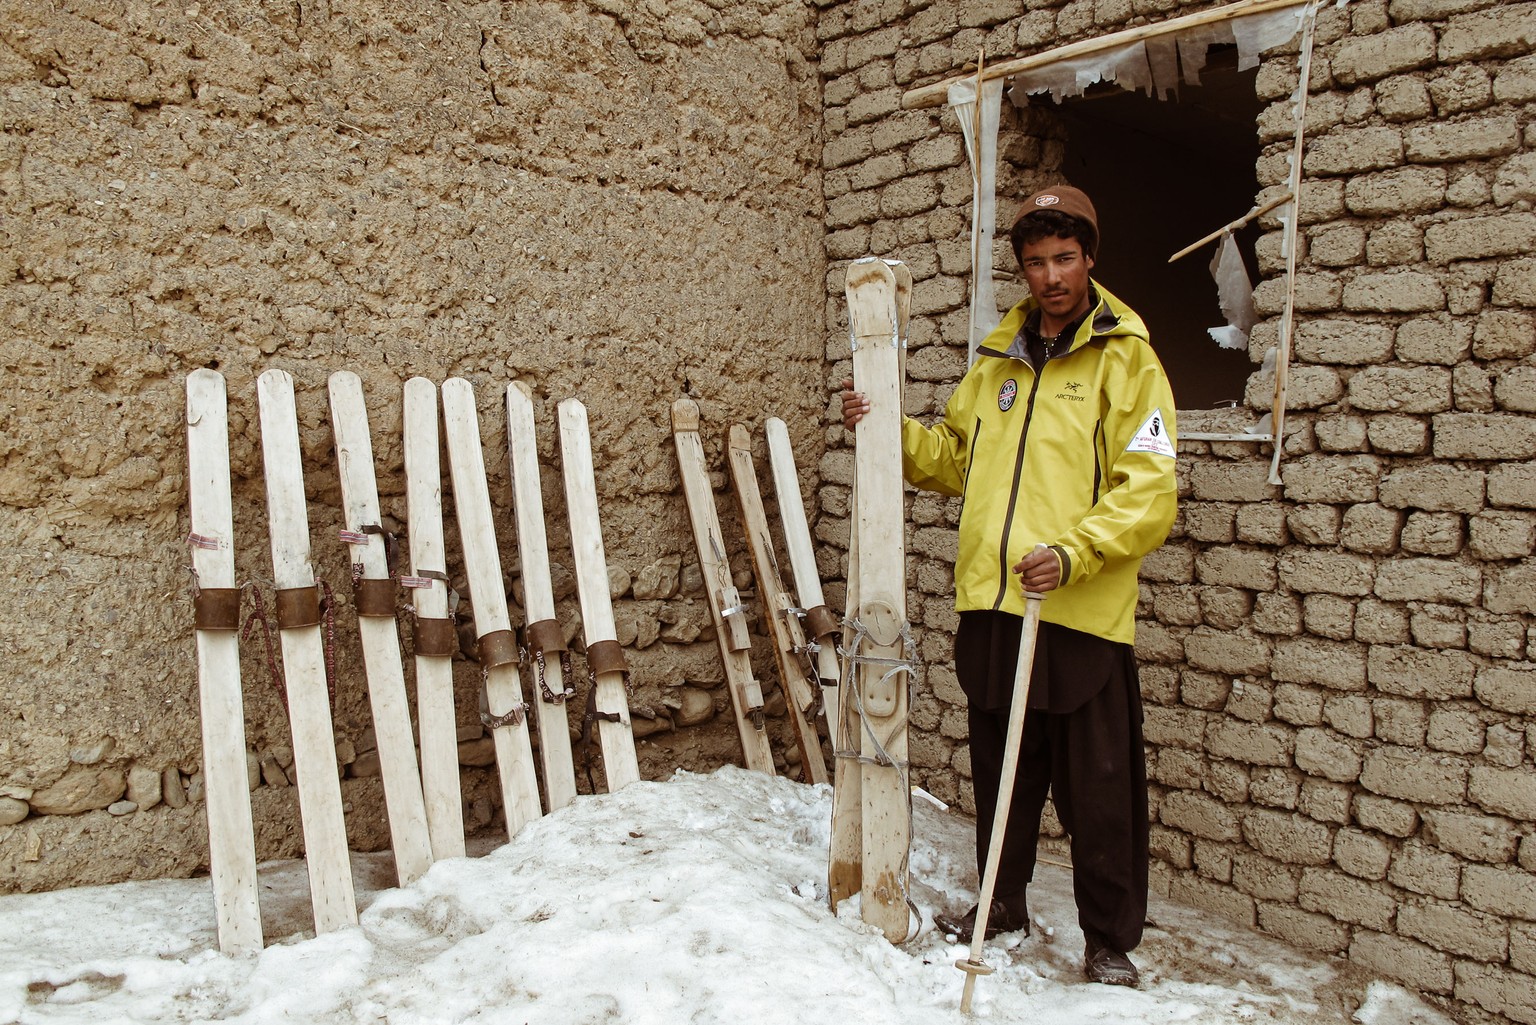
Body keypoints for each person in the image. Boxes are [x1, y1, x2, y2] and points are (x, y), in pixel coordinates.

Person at [840, 185, 1177, 987]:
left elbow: (1148, 488)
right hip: (994, 604)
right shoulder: (998, 356)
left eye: (1065, 258)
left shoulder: (1127, 357)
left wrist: (1076, 553)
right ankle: (1001, 903)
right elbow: (957, 457)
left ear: (1090, 258)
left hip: (1079, 607)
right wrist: (883, 422)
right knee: (1004, 775)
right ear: (1022, 268)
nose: (1051, 275)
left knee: (1098, 788)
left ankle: (1107, 937)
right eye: (1036, 261)